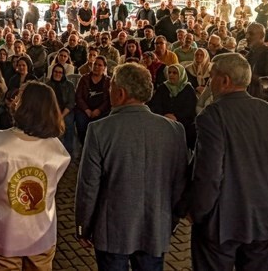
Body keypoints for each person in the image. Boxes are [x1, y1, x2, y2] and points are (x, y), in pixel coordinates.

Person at [75, 63, 188, 271]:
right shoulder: (174, 130)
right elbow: (180, 184)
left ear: (121, 93)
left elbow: (88, 187)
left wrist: (83, 226)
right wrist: (171, 221)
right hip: (155, 229)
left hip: (112, 232)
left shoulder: (99, 130)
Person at [187, 53, 268, 271]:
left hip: (220, 223)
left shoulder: (212, 115)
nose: (207, 82)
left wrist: (198, 212)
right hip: (263, 218)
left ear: (224, 80)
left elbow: (209, 174)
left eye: (211, 75)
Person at [0, 81, 70, 270]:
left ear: (23, 106)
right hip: (41, 230)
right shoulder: (58, 150)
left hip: (5, 229)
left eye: (19, 97)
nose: (15, 100)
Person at [148, 64, 198, 149]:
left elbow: (190, 109)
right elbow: (155, 105)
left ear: (181, 75)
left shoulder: (188, 89)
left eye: (175, 73)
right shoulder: (163, 87)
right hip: (162, 120)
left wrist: (176, 117)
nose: (171, 75)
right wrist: (164, 116)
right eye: (169, 72)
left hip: (183, 123)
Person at [74, 56, 111, 146]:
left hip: (101, 111)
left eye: (99, 65)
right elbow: (78, 97)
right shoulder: (84, 79)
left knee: (101, 127)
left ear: (104, 68)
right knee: (81, 122)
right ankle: (84, 146)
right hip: (84, 110)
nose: (96, 67)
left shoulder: (108, 81)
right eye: (95, 64)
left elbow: (109, 100)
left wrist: (99, 110)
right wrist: (87, 110)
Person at [47, 63, 77, 154]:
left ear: (63, 74)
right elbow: (46, 102)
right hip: (51, 111)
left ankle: (67, 152)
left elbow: (71, 103)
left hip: (66, 111)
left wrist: (61, 115)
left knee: (68, 122)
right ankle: (51, 150)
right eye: (56, 72)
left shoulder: (69, 85)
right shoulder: (47, 85)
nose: (58, 74)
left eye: (60, 72)